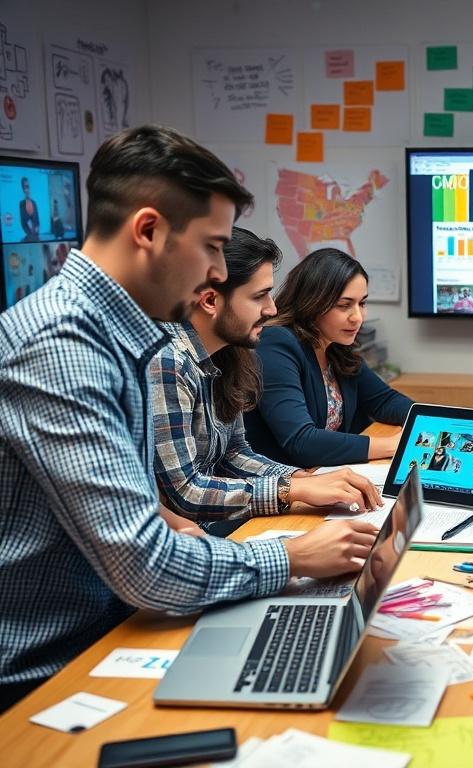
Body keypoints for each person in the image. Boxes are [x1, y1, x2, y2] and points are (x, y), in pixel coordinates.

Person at [0, 125, 377, 714]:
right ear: (149, 231)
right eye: (211, 247)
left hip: (117, 624)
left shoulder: (118, 336)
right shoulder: (64, 348)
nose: (216, 271)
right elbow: (146, 566)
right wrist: (295, 557)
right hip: (53, 667)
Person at [150, 226, 383, 537]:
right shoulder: (169, 362)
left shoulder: (229, 350)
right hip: (190, 535)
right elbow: (186, 492)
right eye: (260, 296)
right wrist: (290, 490)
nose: (272, 308)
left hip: (212, 524)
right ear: (209, 300)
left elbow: (234, 453)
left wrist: (301, 480)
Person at [245, 248, 413, 467]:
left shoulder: (335, 346)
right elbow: (302, 441)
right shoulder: (276, 343)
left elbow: (384, 401)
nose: (358, 317)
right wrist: (393, 445)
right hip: (284, 488)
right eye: (344, 305)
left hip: (326, 475)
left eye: (362, 303)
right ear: (312, 303)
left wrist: (432, 421)